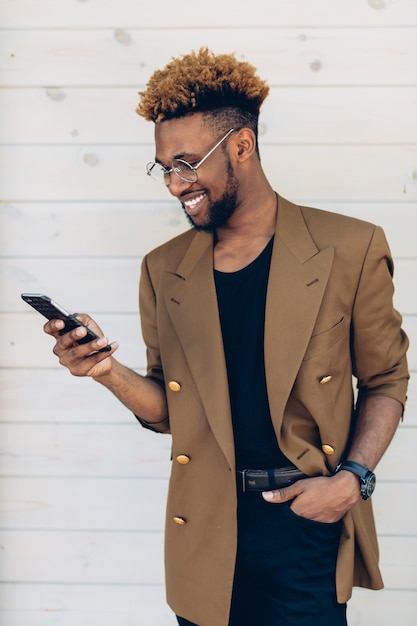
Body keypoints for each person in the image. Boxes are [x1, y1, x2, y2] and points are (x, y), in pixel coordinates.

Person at [44, 48, 409, 626]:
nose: (174, 185)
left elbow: (387, 378)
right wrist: (105, 371)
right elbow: (170, 409)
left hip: (305, 525)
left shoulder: (350, 248)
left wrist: (353, 480)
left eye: (187, 163)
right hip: (205, 528)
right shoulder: (163, 268)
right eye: (164, 167)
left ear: (242, 145)